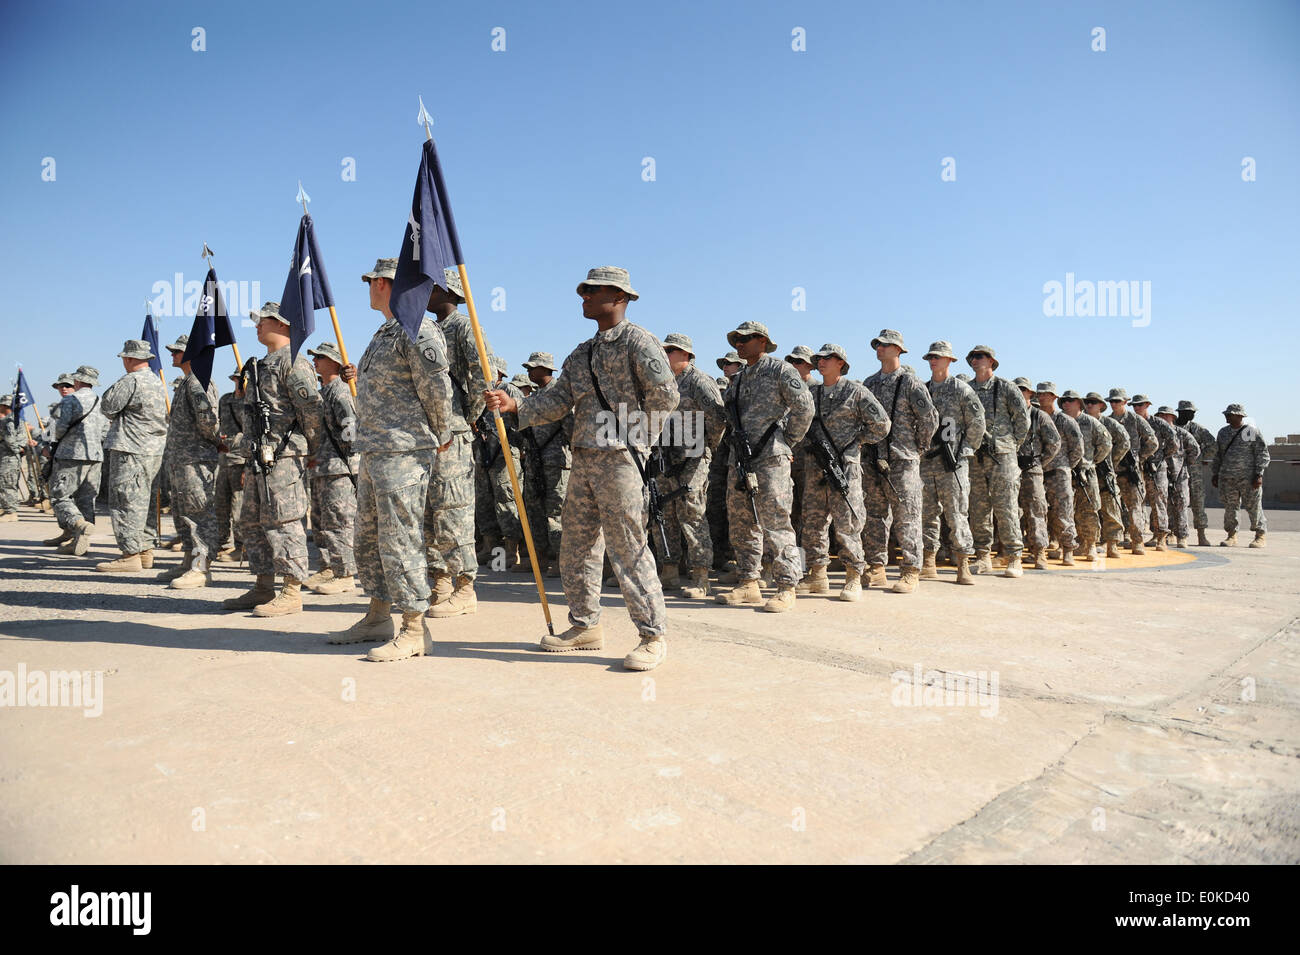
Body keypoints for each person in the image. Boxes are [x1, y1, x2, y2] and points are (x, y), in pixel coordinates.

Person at [485, 266, 679, 670]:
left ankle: (651, 635)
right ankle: (585, 624)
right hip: (584, 460)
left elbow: (665, 396)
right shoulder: (583, 353)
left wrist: (637, 440)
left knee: (628, 549)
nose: (585, 297)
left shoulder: (639, 343)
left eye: (594, 291)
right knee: (577, 548)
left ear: (620, 298)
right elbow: (557, 400)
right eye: (584, 291)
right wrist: (516, 406)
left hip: (620, 461)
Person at [333, 257, 454, 661]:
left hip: (404, 451)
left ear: (385, 284)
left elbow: (437, 389)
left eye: (371, 281)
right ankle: (378, 614)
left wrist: (441, 433)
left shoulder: (418, 328)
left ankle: (415, 628)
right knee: (369, 539)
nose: (367, 287)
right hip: (375, 448)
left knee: (400, 539)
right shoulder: (386, 331)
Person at [221, 303, 324, 615]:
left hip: (283, 455)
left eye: (262, 320)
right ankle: (263, 586)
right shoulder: (262, 364)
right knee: (252, 521)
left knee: (284, 520)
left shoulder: (293, 363)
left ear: (281, 324)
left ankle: (292, 590)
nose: (256, 325)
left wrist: (310, 450)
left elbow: (312, 412)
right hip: (258, 456)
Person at [713, 320, 813, 611]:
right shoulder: (740, 378)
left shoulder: (780, 370)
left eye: (745, 339)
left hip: (771, 460)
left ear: (762, 341)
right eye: (736, 340)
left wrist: (786, 441)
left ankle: (786, 585)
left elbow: (805, 407)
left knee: (777, 523)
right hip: (741, 460)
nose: (739, 344)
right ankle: (748, 583)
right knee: (742, 522)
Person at [796, 344, 889, 600]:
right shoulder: (811, 393)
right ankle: (817, 574)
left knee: (847, 523)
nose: (822, 362)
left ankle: (853, 576)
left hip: (844, 468)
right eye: (820, 359)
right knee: (813, 522)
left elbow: (882, 424)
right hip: (816, 467)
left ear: (841, 363)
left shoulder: (855, 392)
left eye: (828, 358)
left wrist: (857, 442)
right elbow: (797, 423)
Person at [424, 267, 492, 616]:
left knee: (453, 511)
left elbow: (485, 373)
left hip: (452, 433)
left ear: (449, 292)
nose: (427, 292)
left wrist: (466, 419)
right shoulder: (424, 328)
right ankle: (439, 581)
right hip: (425, 434)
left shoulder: (463, 326)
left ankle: (465, 587)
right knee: (429, 512)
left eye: (434, 287)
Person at [860, 330, 938, 593]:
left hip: (902, 460)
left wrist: (917, 448)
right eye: (877, 345)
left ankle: (910, 570)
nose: (878, 349)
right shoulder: (869, 384)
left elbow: (930, 419)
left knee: (907, 516)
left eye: (883, 345)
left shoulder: (910, 382)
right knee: (875, 515)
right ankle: (877, 567)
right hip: (873, 459)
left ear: (897, 349)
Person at [658, 333, 726, 598]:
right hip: (666, 455)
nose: (665, 355)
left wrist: (706, 445)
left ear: (685, 354)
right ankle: (670, 571)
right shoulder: (663, 384)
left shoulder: (699, 381)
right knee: (663, 512)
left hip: (693, 456)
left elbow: (718, 418)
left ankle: (701, 576)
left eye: (671, 351)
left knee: (692, 511)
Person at [95, 341, 169, 572]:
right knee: (144, 502)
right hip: (153, 450)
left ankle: (130, 555)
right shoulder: (157, 382)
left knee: (126, 501)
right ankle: (145, 550)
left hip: (130, 448)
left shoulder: (131, 381)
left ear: (128, 359)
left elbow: (107, 406)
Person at [158, 336, 221, 587]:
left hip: (195, 458)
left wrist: (213, 443)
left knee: (198, 512)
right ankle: (189, 560)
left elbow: (208, 421)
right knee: (183, 512)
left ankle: (201, 567)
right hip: (182, 459)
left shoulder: (198, 381)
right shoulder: (187, 381)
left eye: (178, 351)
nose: (173, 354)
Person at [919, 341, 984, 584]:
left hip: (952, 462)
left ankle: (963, 563)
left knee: (956, 513)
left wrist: (965, 450)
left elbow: (977, 422)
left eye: (938, 357)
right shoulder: (923, 390)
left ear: (950, 361)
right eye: (930, 357)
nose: (933, 361)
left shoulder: (961, 389)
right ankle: (928, 560)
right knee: (927, 514)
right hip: (926, 462)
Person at [965, 346, 1030, 577]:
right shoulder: (968, 389)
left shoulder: (1006, 388)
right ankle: (983, 556)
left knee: (1006, 506)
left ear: (991, 361)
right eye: (972, 357)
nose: (975, 360)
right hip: (975, 456)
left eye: (979, 356)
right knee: (978, 507)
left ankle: (1014, 556)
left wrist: (1009, 445)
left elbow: (1023, 421)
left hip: (1002, 456)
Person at [304, 341, 358, 594]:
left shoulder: (340, 392)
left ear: (335, 362)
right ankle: (329, 566)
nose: (315, 361)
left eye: (320, 357)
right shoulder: (322, 393)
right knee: (322, 522)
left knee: (339, 522)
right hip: (322, 468)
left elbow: (351, 432)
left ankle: (344, 573)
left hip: (338, 468)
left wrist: (347, 459)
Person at [519, 351, 572, 580]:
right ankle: (538, 557)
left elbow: (571, 428)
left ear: (546, 369)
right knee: (534, 510)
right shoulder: (534, 398)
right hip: (535, 462)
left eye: (533, 367)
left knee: (556, 513)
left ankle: (560, 559)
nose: (529, 372)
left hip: (556, 463)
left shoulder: (559, 394)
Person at [47, 365, 107, 557]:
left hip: (71, 453)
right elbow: (106, 430)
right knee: (87, 499)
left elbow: (59, 428)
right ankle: (79, 541)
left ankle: (78, 524)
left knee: (59, 496)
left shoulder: (71, 400)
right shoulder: (101, 402)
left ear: (77, 380)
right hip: (96, 455)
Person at [1013, 379, 1061, 570]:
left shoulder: (1038, 416)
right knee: (1009, 511)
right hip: (1011, 468)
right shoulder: (1008, 414)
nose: (1019, 393)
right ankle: (1008, 550)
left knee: (1036, 510)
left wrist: (1040, 462)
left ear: (1030, 393)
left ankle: (1039, 551)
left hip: (1032, 470)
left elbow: (1054, 443)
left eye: (1023, 390)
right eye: (1016, 390)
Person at [1036, 382, 1083, 565]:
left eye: (1046, 395)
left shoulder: (1065, 421)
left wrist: (1065, 466)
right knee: (1038, 512)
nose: (1042, 398)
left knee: (1063, 512)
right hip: (1038, 471)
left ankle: (1068, 549)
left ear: (1054, 397)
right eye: (1039, 394)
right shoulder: (1034, 417)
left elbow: (1078, 448)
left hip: (1059, 472)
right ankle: (1039, 548)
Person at [1061, 389, 1110, 560]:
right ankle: (1071, 544)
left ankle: (1090, 545)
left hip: (1085, 473)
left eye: (1070, 400)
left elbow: (1106, 443)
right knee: (1065, 512)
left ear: (1078, 403)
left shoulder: (1090, 422)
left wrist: (1093, 461)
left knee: (1089, 510)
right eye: (1064, 400)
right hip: (1064, 472)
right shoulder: (1060, 421)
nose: (1066, 403)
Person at [1107, 388, 1157, 555]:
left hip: (1130, 472)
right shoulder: (1107, 421)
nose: (1114, 404)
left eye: (1117, 401)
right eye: (1111, 401)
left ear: (1125, 402)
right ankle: (1113, 542)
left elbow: (1152, 442)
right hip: (1112, 471)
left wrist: (1139, 458)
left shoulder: (1135, 420)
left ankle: (1137, 541)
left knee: (1134, 508)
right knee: (1111, 508)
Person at [1212, 403, 1269, 548]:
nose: (1226, 417)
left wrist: (1258, 474)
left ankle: (1260, 535)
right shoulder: (1223, 433)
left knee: (1253, 506)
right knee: (1230, 507)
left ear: (1239, 416)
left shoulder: (1250, 431)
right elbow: (1218, 455)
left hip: (1248, 478)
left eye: (1229, 414)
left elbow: (1261, 453)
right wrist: (1215, 473)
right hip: (1227, 477)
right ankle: (1232, 535)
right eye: (1226, 414)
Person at [708, 350, 743, 572]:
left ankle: (740, 560)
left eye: (731, 363)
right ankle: (720, 555)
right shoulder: (726, 393)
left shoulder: (745, 390)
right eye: (724, 364)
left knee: (742, 513)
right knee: (718, 508)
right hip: (721, 460)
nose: (726, 366)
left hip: (740, 457)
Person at [1085, 392, 1131, 558]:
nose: (1089, 405)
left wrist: (1112, 460)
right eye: (1087, 402)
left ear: (1101, 406)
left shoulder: (1109, 423)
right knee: (1088, 509)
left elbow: (1125, 442)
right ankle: (1090, 542)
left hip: (1104, 472)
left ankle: (1112, 544)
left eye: (1093, 403)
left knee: (1110, 508)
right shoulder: (1081, 422)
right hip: (1087, 473)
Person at [1132, 395, 1176, 551]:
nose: (1136, 408)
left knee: (1158, 502)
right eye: (1134, 405)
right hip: (1136, 468)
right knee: (1136, 503)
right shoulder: (1132, 422)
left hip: (1155, 469)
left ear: (1147, 405)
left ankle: (1161, 537)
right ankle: (1137, 535)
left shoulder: (1158, 423)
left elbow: (1174, 443)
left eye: (1140, 405)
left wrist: (1160, 457)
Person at [213, 372, 246, 563]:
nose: (238, 383)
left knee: (239, 507)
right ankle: (224, 543)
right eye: (236, 379)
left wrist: (247, 467)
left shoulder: (251, 404)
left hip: (241, 461)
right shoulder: (225, 400)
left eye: (241, 380)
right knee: (221, 505)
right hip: (224, 460)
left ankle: (242, 546)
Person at [1156, 405, 1199, 548]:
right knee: (1163, 505)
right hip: (1162, 473)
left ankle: (1182, 536)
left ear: (1172, 417)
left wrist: (1186, 463)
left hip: (1179, 474)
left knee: (1181, 504)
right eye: (1159, 415)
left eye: (1164, 415)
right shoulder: (1157, 433)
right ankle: (1165, 535)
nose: (1161, 418)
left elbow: (1195, 449)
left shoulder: (1181, 433)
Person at [1176, 400, 1216, 546]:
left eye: (1193, 412)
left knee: (1198, 502)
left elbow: (1213, 444)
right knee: (1176, 503)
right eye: (1190, 412)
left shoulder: (1197, 429)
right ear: (1181, 412)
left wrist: (1200, 457)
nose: (1192, 414)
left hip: (1195, 473)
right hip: (1176, 472)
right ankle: (1174, 534)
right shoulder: (1172, 427)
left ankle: (1201, 534)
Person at [0, 395, 26, 521]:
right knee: (7, 483)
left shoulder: (8, 420)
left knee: (7, 483)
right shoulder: (16, 419)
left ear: (5, 406)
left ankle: (11, 512)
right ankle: (7, 509)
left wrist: (17, 450)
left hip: (9, 457)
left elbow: (10, 438)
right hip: (8, 456)